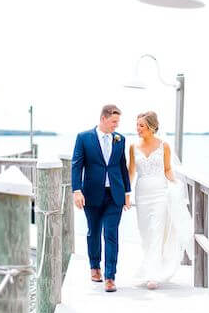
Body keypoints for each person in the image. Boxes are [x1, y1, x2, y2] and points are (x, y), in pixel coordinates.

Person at [129, 111, 192, 290]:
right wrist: (126, 195)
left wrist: (176, 183)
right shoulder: (133, 147)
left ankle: (153, 275)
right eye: (137, 125)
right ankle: (149, 266)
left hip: (160, 194)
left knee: (156, 231)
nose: (138, 129)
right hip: (141, 194)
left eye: (141, 125)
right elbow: (131, 172)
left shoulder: (164, 146)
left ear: (151, 127)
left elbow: (167, 169)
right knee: (145, 232)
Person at [71, 104, 131, 292]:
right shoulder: (84, 138)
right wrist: (76, 190)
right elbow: (76, 165)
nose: (116, 125)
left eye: (118, 122)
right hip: (92, 194)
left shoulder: (120, 140)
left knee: (111, 233)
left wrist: (127, 193)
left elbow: (122, 167)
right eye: (114, 121)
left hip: (115, 194)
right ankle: (94, 266)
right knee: (94, 231)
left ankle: (110, 276)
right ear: (103, 118)